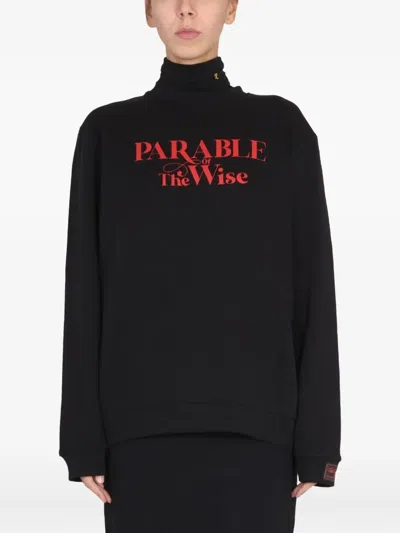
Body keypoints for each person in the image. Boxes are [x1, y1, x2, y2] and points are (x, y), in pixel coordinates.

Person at [58, 1, 342, 531]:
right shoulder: (108, 132)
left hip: (259, 433)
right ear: (148, 12)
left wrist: (319, 441)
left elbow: (313, 283)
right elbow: (84, 288)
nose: (186, 9)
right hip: (137, 433)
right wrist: (80, 438)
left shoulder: (281, 127)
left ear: (231, 9)